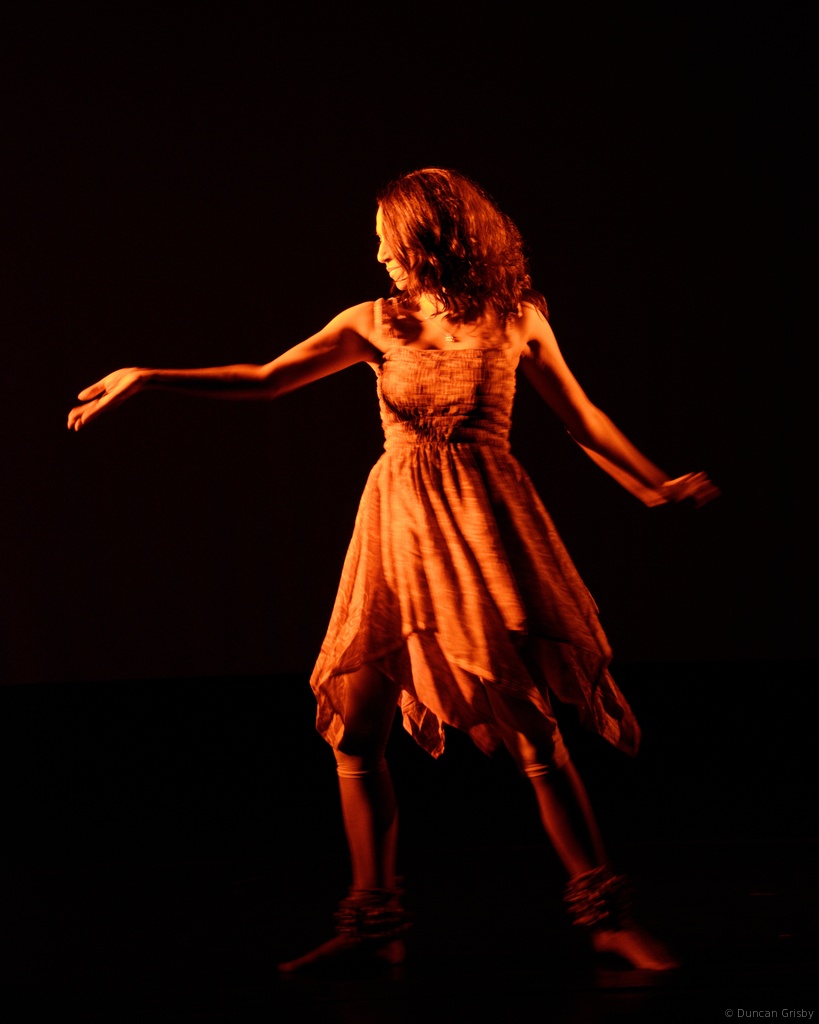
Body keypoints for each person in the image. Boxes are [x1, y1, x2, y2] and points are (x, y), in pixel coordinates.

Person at [68, 167, 719, 974]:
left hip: (484, 530)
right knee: (358, 726)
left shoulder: (515, 320)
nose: (378, 254)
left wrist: (653, 486)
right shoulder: (373, 322)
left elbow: (582, 418)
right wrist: (149, 377)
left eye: (387, 238)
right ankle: (374, 924)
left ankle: (607, 917)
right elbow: (267, 380)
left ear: (431, 238)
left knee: (529, 728)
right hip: (397, 530)